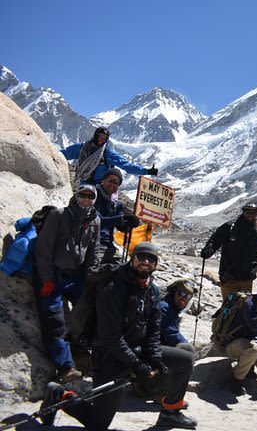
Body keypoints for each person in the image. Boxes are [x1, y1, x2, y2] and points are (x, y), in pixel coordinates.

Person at [40, 242, 197, 430]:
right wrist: (137, 365)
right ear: (132, 260)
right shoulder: (113, 288)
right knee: (98, 424)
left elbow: (153, 331)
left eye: (151, 258)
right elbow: (110, 336)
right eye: (141, 257)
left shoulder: (152, 291)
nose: (145, 262)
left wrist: (154, 359)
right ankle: (61, 396)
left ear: (156, 264)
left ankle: (171, 412)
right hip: (109, 356)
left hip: (136, 350)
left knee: (185, 359)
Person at [33, 184, 101, 383]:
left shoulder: (95, 220)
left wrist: (92, 281)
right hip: (51, 275)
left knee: (94, 306)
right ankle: (66, 367)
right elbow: (43, 249)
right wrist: (45, 278)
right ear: (76, 195)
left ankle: (86, 352)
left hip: (73, 276)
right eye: (83, 195)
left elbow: (93, 254)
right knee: (54, 319)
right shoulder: (59, 215)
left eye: (90, 196)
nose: (86, 198)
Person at [200, 203, 257, 300]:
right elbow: (215, 240)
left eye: (254, 213)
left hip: (247, 278)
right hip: (228, 277)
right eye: (248, 212)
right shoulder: (230, 227)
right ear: (243, 213)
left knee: (244, 307)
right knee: (228, 307)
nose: (251, 215)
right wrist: (208, 250)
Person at [60, 126, 158, 185]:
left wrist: (147, 171)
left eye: (104, 138)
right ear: (95, 136)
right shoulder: (82, 148)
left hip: (101, 187)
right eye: (99, 137)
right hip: (83, 184)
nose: (101, 140)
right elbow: (63, 154)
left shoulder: (107, 153)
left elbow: (126, 166)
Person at [94, 167, 141, 263]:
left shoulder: (116, 204)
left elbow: (121, 227)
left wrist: (129, 224)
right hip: (92, 243)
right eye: (110, 180)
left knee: (123, 270)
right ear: (103, 180)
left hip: (108, 245)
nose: (113, 184)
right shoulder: (92, 196)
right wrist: (122, 218)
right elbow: (96, 221)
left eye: (116, 183)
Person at [160, 278, 198, 353]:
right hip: (150, 348)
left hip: (159, 345)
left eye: (188, 296)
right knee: (188, 349)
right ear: (174, 292)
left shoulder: (172, 308)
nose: (184, 298)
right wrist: (186, 343)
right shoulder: (165, 308)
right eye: (181, 293)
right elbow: (172, 335)